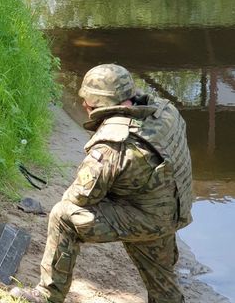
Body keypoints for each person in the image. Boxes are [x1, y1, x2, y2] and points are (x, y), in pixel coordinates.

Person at [10, 64, 193, 303]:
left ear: (95, 103)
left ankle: (48, 295)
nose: (84, 106)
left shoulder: (113, 143)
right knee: (162, 285)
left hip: (144, 215)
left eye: (86, 101)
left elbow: (80, 198)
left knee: (62, 216)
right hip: (172, 209)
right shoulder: (165, 111)